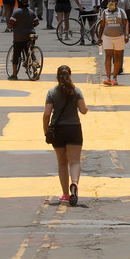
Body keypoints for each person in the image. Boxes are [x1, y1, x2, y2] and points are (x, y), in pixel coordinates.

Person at [43, 65, 89, 206]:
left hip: (58, 131)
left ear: (57, 77)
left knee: (62, 163)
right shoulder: (76, 91)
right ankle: (74, 183)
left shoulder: (51, 93)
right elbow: (83, 110)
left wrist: (46, 131)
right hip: (74, 128)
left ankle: (65, 194)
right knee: (75, 161)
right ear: (70, 76)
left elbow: (46, 114)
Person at [98, 0, 128, 85]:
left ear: (116, 3)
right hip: (107, 37)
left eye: (113, 1)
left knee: (118, 57)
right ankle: (108, 77)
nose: (111, 2)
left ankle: (115, 78)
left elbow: (126, 23)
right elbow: (102, 25)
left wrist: (126, 35)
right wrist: (99, 38)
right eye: (109, 1)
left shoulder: (121, 11)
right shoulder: (105, 12)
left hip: (119, 37)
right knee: (108, 57)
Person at [7, 0, 39, 80]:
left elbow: (11, 23)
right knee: (30, 53)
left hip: (19, 37)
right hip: (31, 35)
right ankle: (35, 71)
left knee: (16, 55)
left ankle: (14, 74)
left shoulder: (16, 12)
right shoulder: (31, 12)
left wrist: (10, 27)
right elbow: (36, 23)